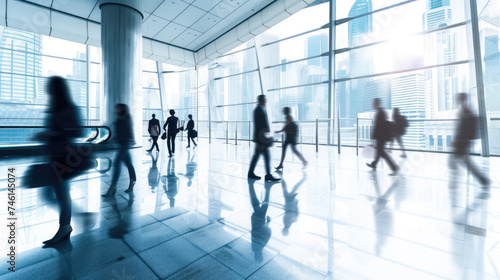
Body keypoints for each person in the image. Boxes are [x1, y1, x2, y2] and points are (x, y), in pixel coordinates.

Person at [41, 76, 83, 244]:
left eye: (49, 87)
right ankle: (67, 223)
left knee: (59, 194)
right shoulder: (55, 107)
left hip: (62, 157)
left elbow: (77, 132)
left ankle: (65, 225)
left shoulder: (69, 108)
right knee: (55, 194)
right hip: (53, 156)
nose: (46, 89)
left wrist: (53, 134)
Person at [449, 93, 489, 189]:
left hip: (462, 141)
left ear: (461, 99)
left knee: (458, 161)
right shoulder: (465, 110)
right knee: (463, 162)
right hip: (462, 141)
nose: (456, 100)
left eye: (457, 98)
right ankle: (483, 180)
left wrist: (457, 139)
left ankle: (483, 180)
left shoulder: (465, 110)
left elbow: (462, 128)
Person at [102, 104, 137, 197]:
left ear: (123, 109)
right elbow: (118, 133)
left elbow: (130, 129)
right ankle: (133, 181)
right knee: (129, 164)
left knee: (117, 163)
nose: (115, 110)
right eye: (115, 108)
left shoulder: (127, 118)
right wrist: (111, 139)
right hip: (121, 143)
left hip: (125, 143)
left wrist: (133, 139)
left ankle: (113, 187)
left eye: (117, 108)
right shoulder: (118, 120)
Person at [248, 95, 280, 181]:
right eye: (265, 100)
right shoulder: (258, 110)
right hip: (261, 139)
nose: (266, 101)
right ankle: (267, 175)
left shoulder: (260, 109)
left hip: (261, 138)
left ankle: (253, 173)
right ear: (262, 100)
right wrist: (264, 138)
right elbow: (259, 126)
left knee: (259, 156)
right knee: (264, 156)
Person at [366, 98, 399, 175]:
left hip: (381, 136)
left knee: (382, 152)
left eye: (374, 103)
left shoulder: (380, 113)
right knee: (379, 151)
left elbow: (379, 126)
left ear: (377, 104)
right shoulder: (381, 112)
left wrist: (373, 135)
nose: (373, 105)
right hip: (381, 136)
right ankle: (374, 164)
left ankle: (394, 167)